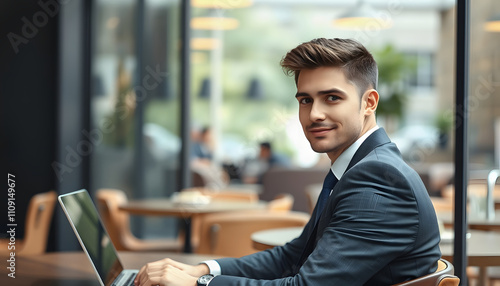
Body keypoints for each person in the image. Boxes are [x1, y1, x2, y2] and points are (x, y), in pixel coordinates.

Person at [134, 38, 441, 286]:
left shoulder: (378, 179)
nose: (314, 114)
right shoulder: (355, 168)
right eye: (305, 100)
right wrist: (201, 269)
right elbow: (293, 257)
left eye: (331, 98)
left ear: (368, 103)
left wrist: (198, 284)